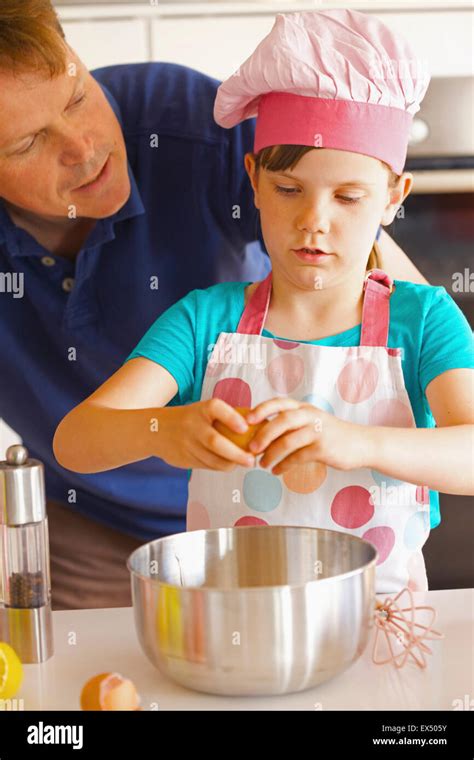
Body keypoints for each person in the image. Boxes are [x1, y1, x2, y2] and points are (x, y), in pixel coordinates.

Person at [0, 2, 433, 607]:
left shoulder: (188, 129)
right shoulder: (201, 319)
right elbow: (80, 438)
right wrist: (162, 427)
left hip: (327, 549)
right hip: (90, 519)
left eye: (76, 98)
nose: (84, 147)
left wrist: (371, 437)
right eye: (27, 143)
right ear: (260, 184)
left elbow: (371, 273)